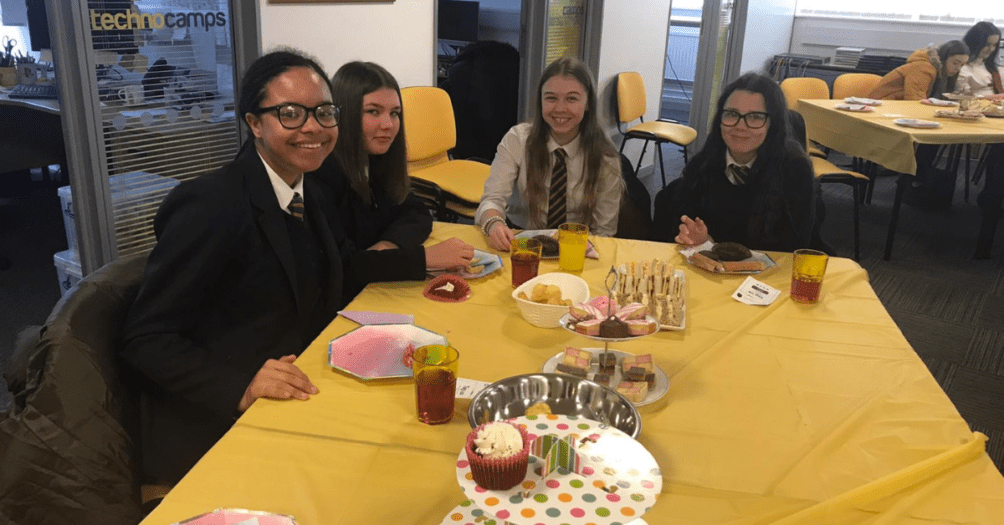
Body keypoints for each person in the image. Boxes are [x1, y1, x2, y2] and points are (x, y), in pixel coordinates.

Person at [122, 49, 473, 484]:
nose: (313, 127)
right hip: (224, 424)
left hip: (305, 383)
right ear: (255, 123)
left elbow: (340, 269)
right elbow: (145, 339)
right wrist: (240, 385)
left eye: (324, 113)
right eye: (290, 114)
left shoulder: (309, 192)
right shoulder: (211, 204)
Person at [652, 72, 816, 252]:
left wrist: (713, 245)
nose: (740, 126)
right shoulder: (712, 152)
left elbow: (790, 247)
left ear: (773, 124)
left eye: (755, 117)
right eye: (731, 114)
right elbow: (685, 216)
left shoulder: (794, 168)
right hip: (711, 262)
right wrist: (692, 236)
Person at [475, 56, 622, 251]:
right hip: (520, 239)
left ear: (588, 103)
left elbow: (604, 231)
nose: (560, 109)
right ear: (541, 101)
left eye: (571, 98)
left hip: (576, 245)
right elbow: (492, 200)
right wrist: (494, 224)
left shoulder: (605, 155)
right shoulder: (517, 139)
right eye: (551, 98)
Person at [312, 61, 433, 252]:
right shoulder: (321, 174)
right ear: (343, 113)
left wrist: (386, 247)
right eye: (373, 111)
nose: (388, 125)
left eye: (394, 113)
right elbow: (339, 260)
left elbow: (417, 212)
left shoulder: (376, 159)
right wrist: (420, 258)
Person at [868, 40, 970, 101]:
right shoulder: (923, 68)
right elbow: (914, 102)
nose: (958, 69)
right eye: (955, 63)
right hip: (881, 108)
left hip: (896, 108)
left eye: (962, 65)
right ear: (943, 58)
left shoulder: (939, 72)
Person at [959, 22, 1003, 99]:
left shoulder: (995, 68)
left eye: (994, 45)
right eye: (987, 45)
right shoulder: (962, 68)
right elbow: (965, 98)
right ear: (974, 43)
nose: (991, 49)